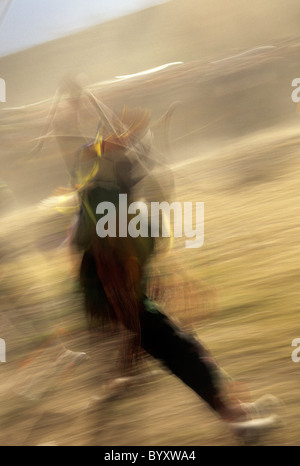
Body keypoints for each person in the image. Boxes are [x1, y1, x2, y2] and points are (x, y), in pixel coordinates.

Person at [65, 100, 282, 444]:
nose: (138, 164)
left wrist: (165, 282)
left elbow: (139, 258)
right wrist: (131, 331)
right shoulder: (99, 197)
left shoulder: (130, 209)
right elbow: (84, 163)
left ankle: (237, 411)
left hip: (125, 301)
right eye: (130, 157)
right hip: (114, 305)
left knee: (182, 351)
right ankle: (236, 418)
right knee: (176, 355)